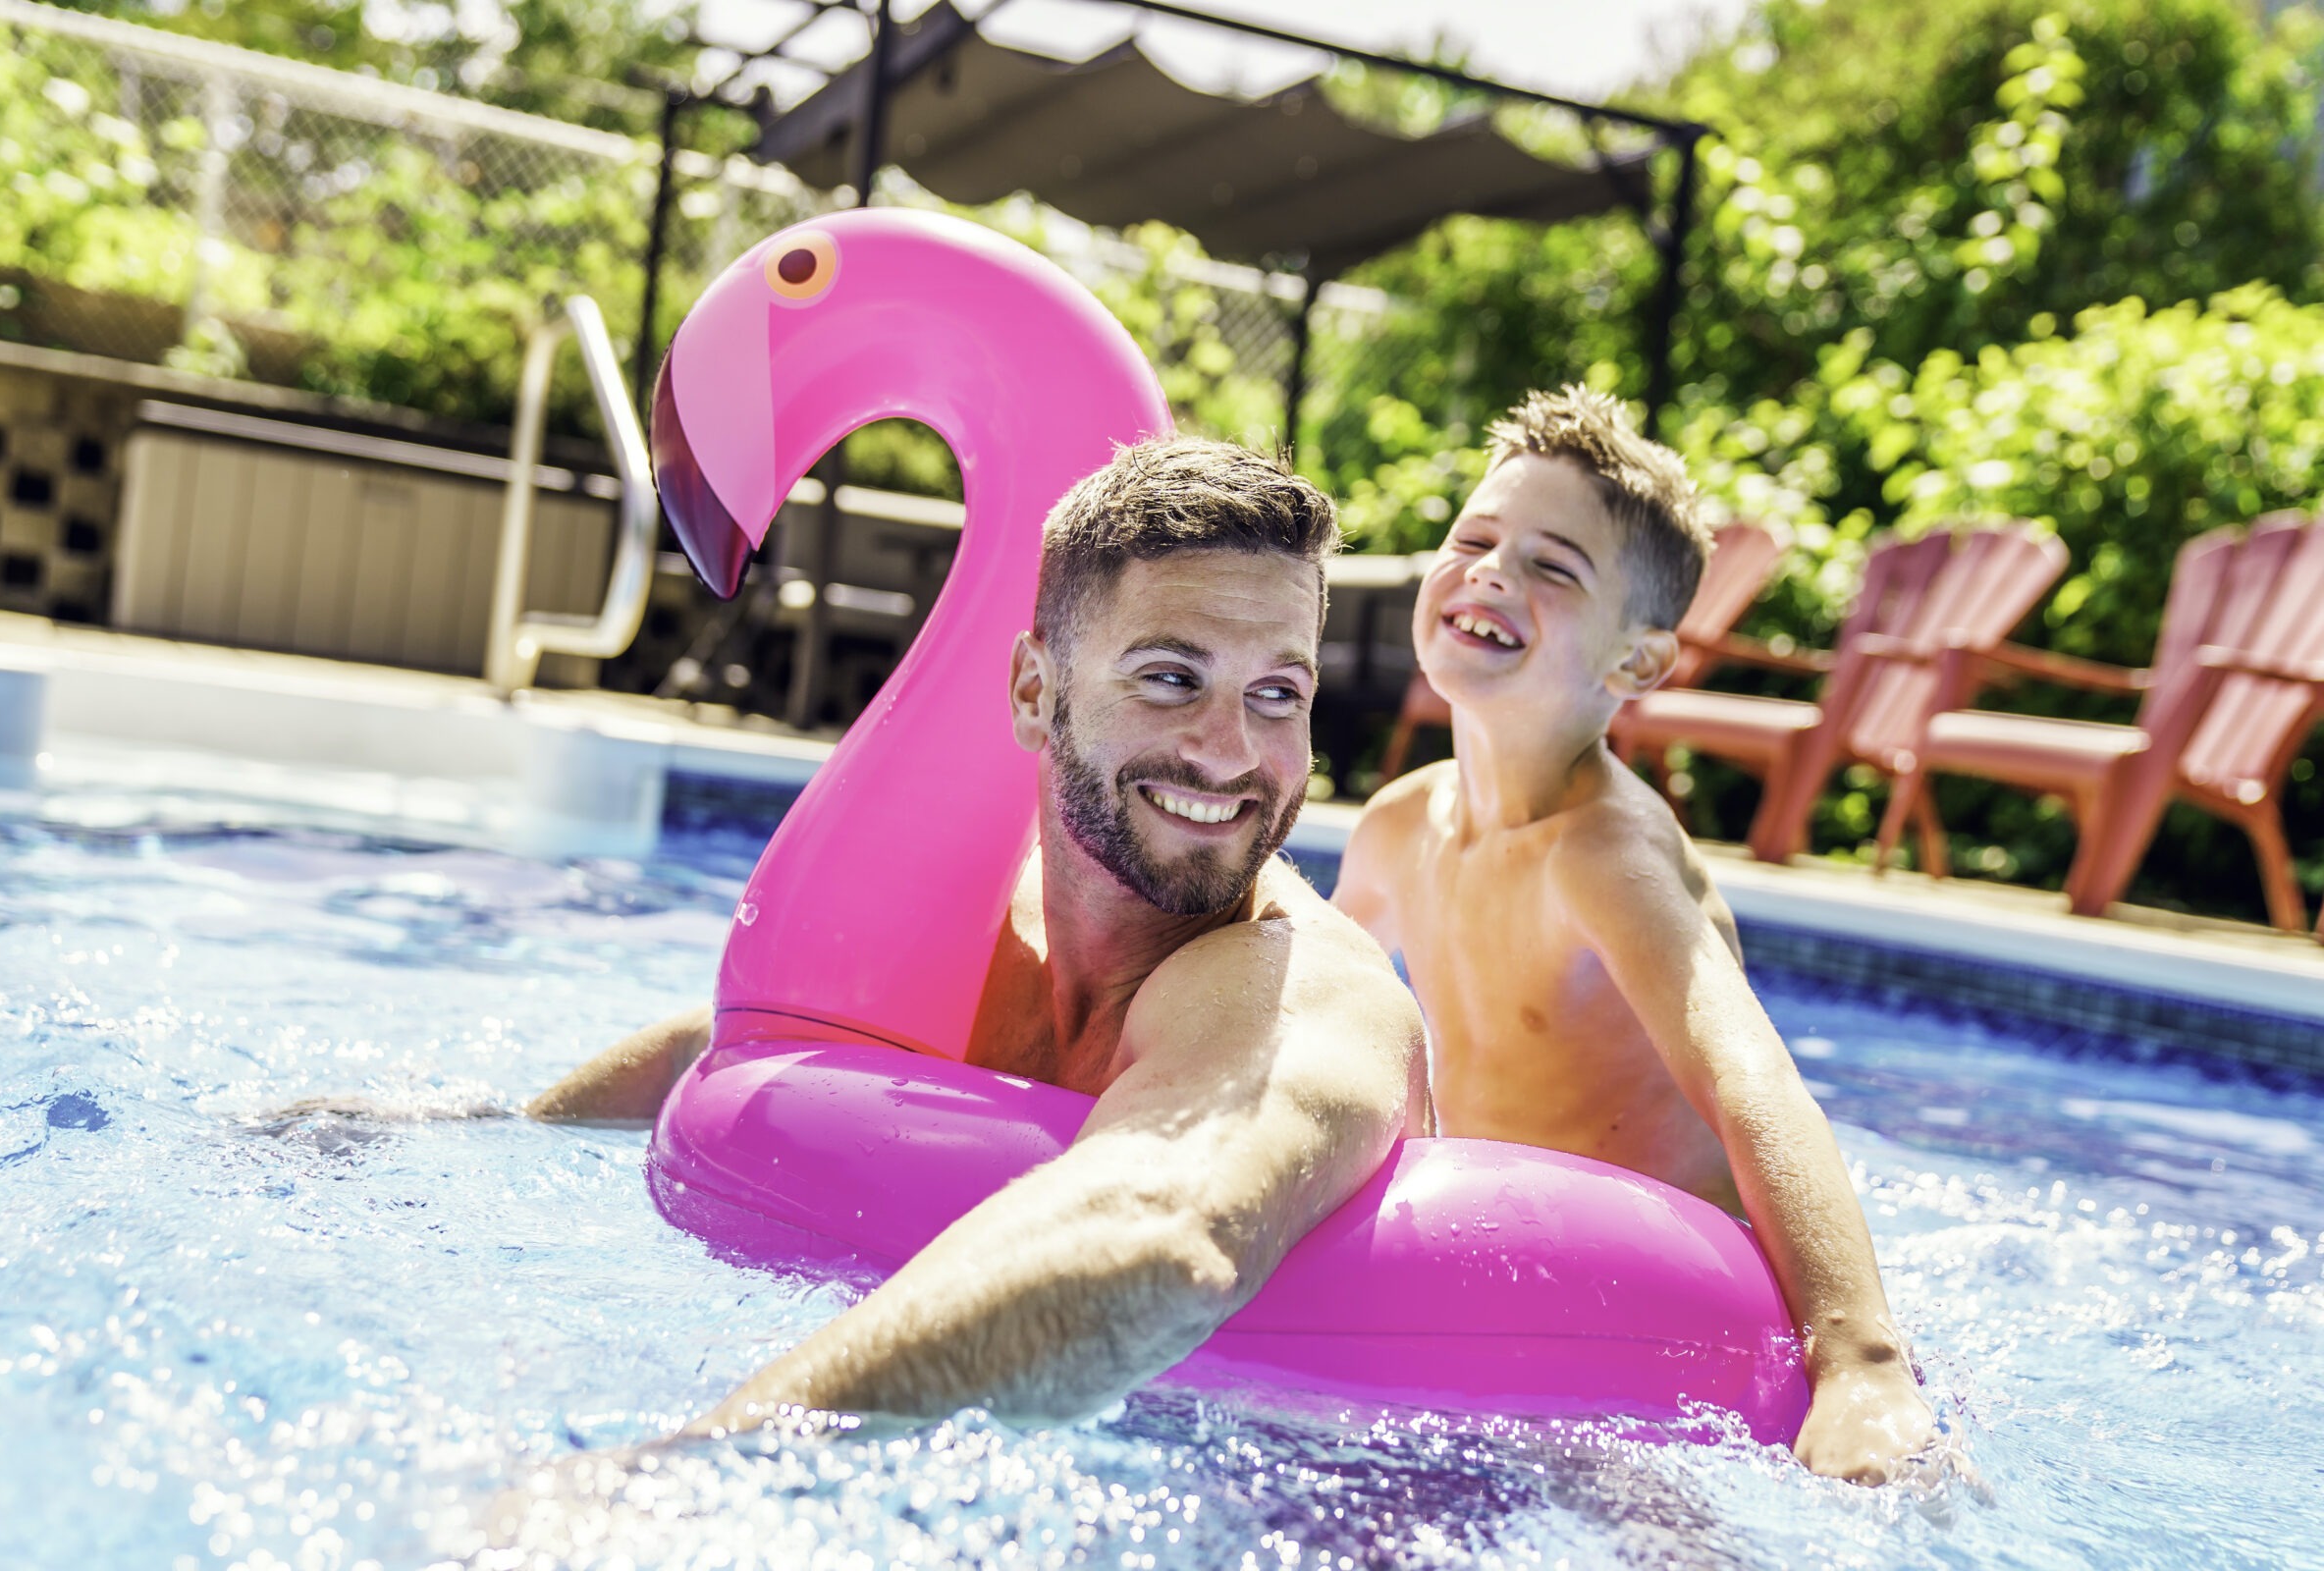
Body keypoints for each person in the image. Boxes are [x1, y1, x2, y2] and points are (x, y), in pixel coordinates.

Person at [531, 437, 1427, 1432]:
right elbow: (755, 1052)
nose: (1231, 752)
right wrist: (474, 1133)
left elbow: (1160, 1236)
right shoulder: (981, 912)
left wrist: (691, 1464)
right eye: (1172, 678)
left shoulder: (1306, 995)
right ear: (1035, 692)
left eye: (1278, 694)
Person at [1330, 386, 1937, 1485]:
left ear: (1640, 664)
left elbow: (1754, 1082)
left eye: (1555, 567)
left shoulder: (1601, 854)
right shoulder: (1396, 825)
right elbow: (1309, 1004)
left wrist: (1861, 1363)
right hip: (1492, 1259)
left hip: (1654, 1307)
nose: (1493, 572)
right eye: (1473, 537)